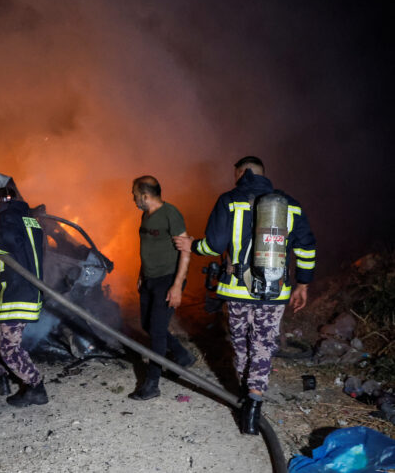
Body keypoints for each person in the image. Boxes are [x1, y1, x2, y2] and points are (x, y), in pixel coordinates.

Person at [174, 156, 316, 435]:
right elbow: (307, 248)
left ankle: (243, 394)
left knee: (241, 343)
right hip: (274, 290)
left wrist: (193, 246)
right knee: (263, 343)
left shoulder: (229, 199)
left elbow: (214, 245)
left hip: (237, 289)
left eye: (235, 174)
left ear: (241, 173)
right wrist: (303, 284)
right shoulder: (291, 205)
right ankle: (253, 403)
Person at [129, 175, 195, 401]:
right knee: (148, 325)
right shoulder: (145, 215)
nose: (133, 199)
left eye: (135, 195)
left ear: (145, 196)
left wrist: (177, 286)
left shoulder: (171, 214)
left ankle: (152, 383)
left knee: (157, 332)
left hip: (167, 279)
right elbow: (146, 247)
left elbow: (186, 250)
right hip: (149, 279)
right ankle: (181, 355)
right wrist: (141, 274)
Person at [0, 186, 48, 407]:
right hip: (25, 288)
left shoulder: (8, 215)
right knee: (1, 337)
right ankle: (0, 377)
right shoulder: (30, 219)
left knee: (8, 347)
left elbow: (7, 241)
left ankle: (35, 386)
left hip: (17, 292)